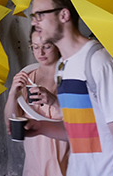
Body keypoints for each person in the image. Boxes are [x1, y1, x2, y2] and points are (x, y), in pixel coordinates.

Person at [25, 0, 113, 176]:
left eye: (40, 15)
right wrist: (39, 127)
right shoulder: (63, 66)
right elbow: (79, 131)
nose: (35, 23)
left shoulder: (98, 60)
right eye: (33, 16)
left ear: (64, 15)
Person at [4, 27, 69, 176]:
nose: (40, 53)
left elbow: (84, 121)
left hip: (67, 159)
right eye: (35, 47)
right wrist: (13, 93)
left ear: (57, 45)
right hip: (35, 162)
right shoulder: (27, 78)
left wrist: (54, 102)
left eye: (46, 46)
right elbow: (11, 121)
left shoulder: (70, 76)